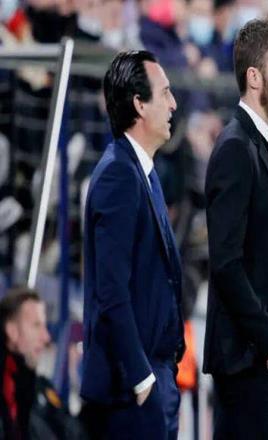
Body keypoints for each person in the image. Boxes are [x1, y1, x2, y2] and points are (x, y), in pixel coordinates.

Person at [203, 17, 268, 439]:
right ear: (255, 77)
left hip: (258, 361)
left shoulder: (259, 146)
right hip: (248, 362)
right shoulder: (235, 149)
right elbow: (225, 261)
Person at [80, 50, 185, 439]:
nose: (174, 104)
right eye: (165, 93)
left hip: (155, 376)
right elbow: (112, 289)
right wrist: (142, 377)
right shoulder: (118, 175)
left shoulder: (143, 172)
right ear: (139, 104)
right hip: (131, 389)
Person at [0, 287, 83, 439]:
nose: (46, 337)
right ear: (12, 331)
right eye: (37, 325)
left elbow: (75, 431)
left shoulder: (42, 388)